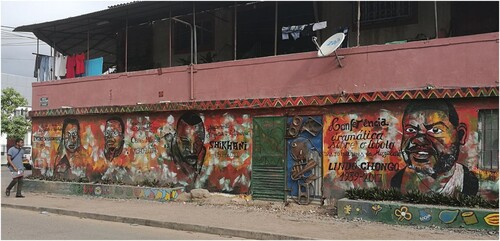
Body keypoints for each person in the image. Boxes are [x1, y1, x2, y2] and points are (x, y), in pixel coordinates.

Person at [391, 99, 478, 196]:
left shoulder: (468, 182)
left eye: (435, 130)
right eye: (411, 130)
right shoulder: (397, 181)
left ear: (461, 135)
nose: (419, 140)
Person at [165, 112, 206, 177]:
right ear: (176, 139)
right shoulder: (168, 163)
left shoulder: (203, 157)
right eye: (185, 143)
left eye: (198, 142)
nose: (192, 150)